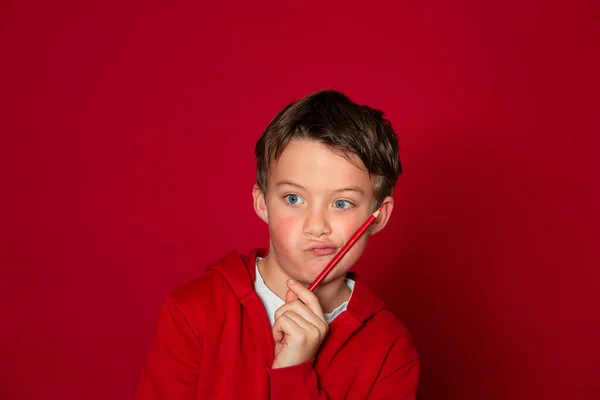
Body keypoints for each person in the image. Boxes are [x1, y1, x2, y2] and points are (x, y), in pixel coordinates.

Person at [135, 90, 420, 399]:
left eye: (342, 203)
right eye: (293, 199)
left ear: (378, 217)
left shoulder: (391, 351)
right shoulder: (194, 312)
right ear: (263, 204)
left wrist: (293, 375)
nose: (317, 226)